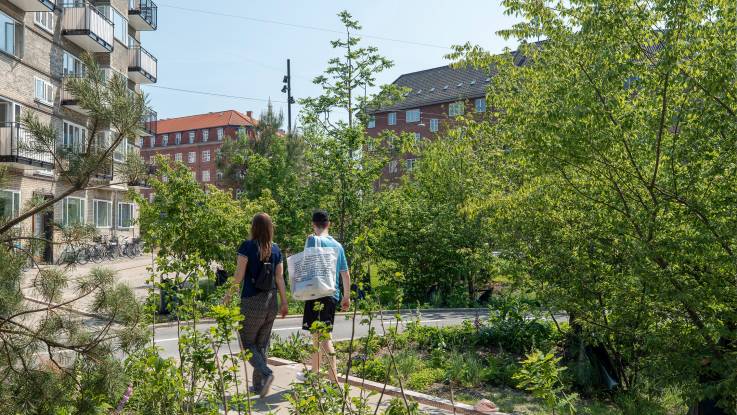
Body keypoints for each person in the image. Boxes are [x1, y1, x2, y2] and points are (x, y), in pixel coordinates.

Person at [225, 213, 288, 398]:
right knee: (261, 345)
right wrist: (284, 302)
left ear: (253, 227)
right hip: (271, 301)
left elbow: (238, 276)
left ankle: (267, 373)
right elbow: (279, 278)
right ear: (270, 228)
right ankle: (259, 386)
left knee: (246, 344)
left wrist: (228, 296)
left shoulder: (247, 247)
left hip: (252, 301)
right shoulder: (276, 250)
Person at [301, 210, 351, 383]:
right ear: (329, 224)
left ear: (313, 224)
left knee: (324, 338)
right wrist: (346, 297)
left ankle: (334, 382)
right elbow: (345, 274)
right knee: (317, 336)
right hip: (331, 295)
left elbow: (306, 264)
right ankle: (315, 374)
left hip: (315, 294)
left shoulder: (312, 240)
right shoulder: (338, 246)